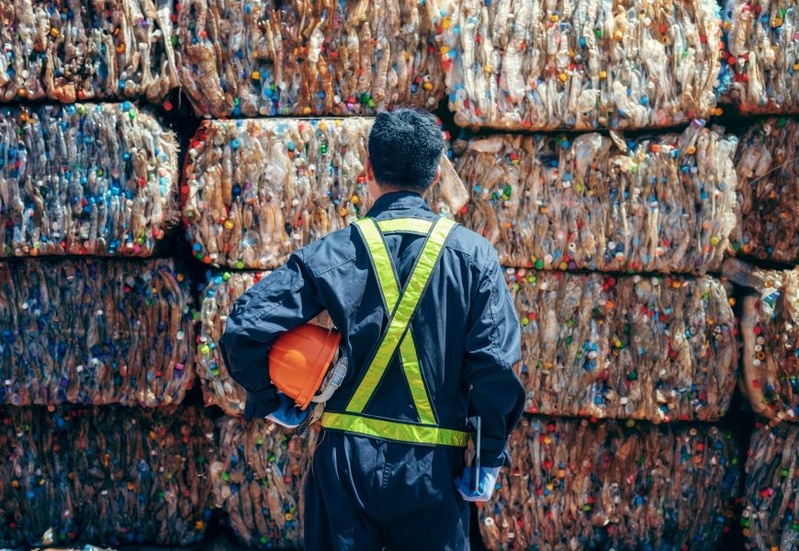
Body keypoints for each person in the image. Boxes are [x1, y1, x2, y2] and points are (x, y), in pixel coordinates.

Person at [219, 107, 525, 550]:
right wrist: (489, 457)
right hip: (432, 473)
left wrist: (271, 400)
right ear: (437, 173)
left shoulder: (336, 251)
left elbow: (244, 327)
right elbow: (495, 367)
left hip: (344, 467)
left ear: (368, 169)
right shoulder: (474, 258)